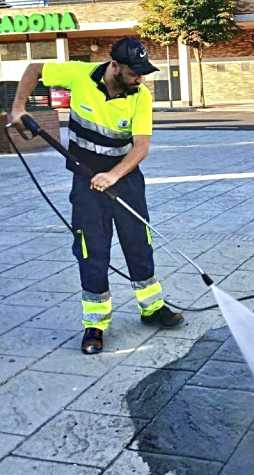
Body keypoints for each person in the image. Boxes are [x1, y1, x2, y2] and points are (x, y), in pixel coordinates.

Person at [7, 37, 183, 355]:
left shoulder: (139, 96)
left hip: (125, 178)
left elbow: (141, 147)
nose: (140, 79)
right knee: (92, 250)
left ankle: (152, 307)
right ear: (115, 66)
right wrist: (18, 108)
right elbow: (34, 68)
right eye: (134, 72)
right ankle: (95, 324)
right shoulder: (79, 74)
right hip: (85, 182)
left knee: (138, 244)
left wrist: (113, 175)